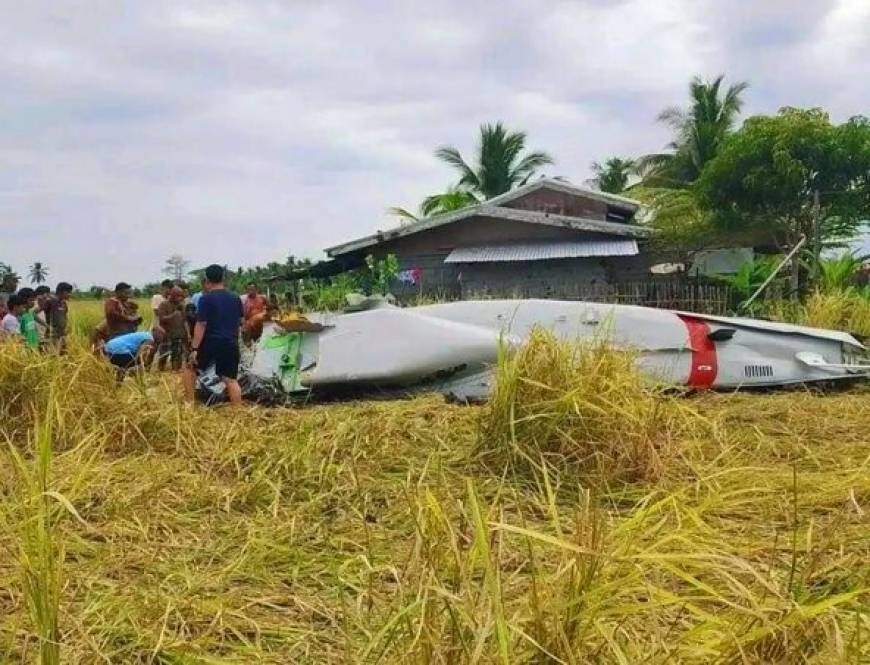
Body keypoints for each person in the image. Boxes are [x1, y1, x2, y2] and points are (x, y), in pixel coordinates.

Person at [184, 264, 244, 407]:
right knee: (230, 379)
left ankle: (189, 406)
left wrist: (195, 348)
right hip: (231, 342)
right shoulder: (236, 298)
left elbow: (201, 324)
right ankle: (239, 413)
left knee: (189, 368)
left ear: (207, 279)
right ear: (223, 278)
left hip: (211, 342)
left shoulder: (206, 299)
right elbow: (241, 321)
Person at [156, 286, 189, 370]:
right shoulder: (164, 304)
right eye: (178, 296)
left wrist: (187, 334)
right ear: (172, 295)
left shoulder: (182, 306)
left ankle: (175, 372)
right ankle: (161, 372)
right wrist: (173, 315)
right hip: (166, 334)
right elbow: (161, 318)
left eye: (181, 296)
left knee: (177, 355)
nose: (180, 298)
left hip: (178, 334)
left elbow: (185, 320)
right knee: (164, 355)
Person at [43, 282, 73, 353]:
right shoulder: (50, 302)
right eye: (68, 292)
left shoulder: (64, 304)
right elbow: (34, 313)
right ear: (62, 292)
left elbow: (64, 316)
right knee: (53, 357)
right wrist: (47, 326)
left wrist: (66, 328)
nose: (69, 294)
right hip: (52, 336)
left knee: (63, 355)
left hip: (62, 335)